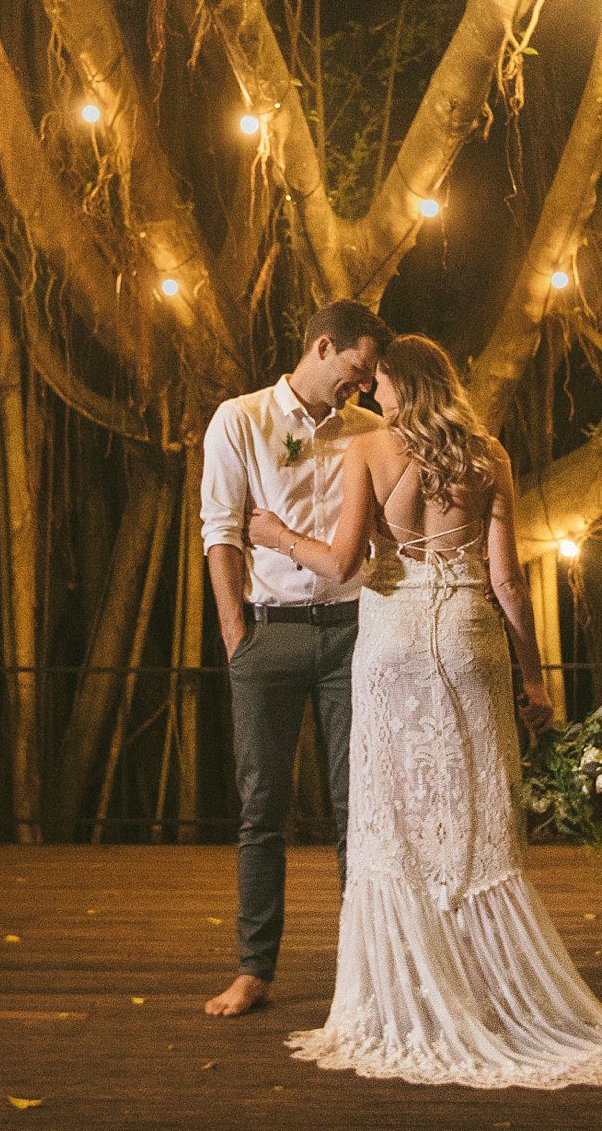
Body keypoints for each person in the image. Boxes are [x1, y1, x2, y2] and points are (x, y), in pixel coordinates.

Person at [245, 334, 602, 1088]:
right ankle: (493, 993)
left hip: (391, 641)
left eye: (381, 384)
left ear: (403, 384)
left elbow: (341, 564)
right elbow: (510, 583)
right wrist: (535, 682)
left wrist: (272, 534)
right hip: (467, 637)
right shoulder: (489, 453)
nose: (371, 395)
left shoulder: (370, 449)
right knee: (474, 821)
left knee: (394, 819)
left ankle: (413, 996)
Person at [196, 299, 393, 1019]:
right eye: (356, 369)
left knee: (357, 808)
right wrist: (234, 634)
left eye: (369, 376)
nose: (363, 385)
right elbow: (220, 528)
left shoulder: (372, 430)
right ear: (322, 347)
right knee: (261, 807)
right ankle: (254, 968)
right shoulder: (241, 419)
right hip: (268, 632)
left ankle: (364, 972)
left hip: (353, 632)